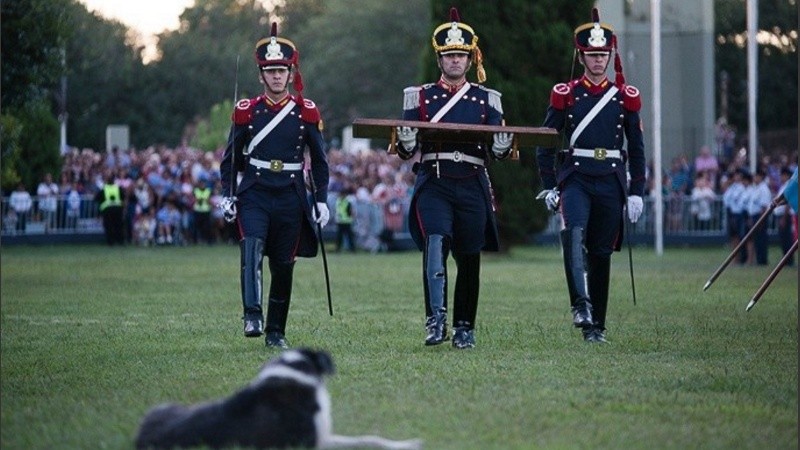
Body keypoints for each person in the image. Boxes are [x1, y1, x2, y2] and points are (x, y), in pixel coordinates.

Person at [395, 7, 514, 349]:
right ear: (440, 59)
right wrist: (406, 142)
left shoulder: (487, 98)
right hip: (435, 179)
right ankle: (435, 320)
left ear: (469, 57)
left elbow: (498, 153)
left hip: (472, 180)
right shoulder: (419, 96)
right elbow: (407, 150)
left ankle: (464, 326)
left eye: (461, 55)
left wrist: (504, 145)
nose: (456, 61)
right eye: (449, 55)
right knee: (436, 241)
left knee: (469, 256)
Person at [535, 8, 646, 343]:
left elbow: (637, 148)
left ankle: (596, 325)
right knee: (573, 233)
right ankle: (580, 306)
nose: (598, 61)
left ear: (610, 56)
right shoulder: (566, 94)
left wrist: (637, 190)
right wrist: (550, 186)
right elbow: (545, 142)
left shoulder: (624, 97)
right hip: (577, 177)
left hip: (611, 178)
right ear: (581, 56)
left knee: (599, 253)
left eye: (603, 55)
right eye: (592, 55)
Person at [219, 23, 329, 349]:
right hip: (255, 190)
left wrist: (320, 200)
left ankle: (276, 331)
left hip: (292, 194)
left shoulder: (306, 112)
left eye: (282, 70)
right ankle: (252, 314)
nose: (277, 76)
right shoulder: (246, 111)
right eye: (270, 71)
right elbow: (230, 158)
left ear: (290, 72)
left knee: (283, 265)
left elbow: (320, 160)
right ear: (261, 76)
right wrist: (227, 195)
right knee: (250, 246)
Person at [774, 167, 796, 267]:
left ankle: (789, 260)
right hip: (781, 215)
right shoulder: (783, 186)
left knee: (787, 238)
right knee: (783, 238)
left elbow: (788, 201)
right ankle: (786, 260)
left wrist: (784, 217)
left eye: (782, 175)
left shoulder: (789, 185)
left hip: (786, 215)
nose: (781, 177)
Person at [94, 173, 125, 245]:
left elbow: (96, 198)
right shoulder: (118, 188)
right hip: (118, 209)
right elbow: (123, 197)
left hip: (107, 210)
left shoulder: (104, 189)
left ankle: (110, 242)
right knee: (118, 226)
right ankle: (120, 241)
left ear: (107, 181)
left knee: (109, 226)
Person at [334, 187, 356, 252]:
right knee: (340, 237)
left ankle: (352, 249)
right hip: (341, 221)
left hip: (347, 221)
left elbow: (351, 211)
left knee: (349, 237)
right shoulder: (339, 201)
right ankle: (338, 249)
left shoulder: (347, 201)